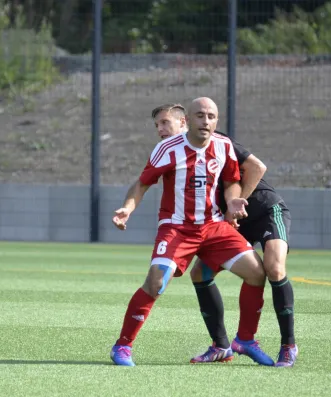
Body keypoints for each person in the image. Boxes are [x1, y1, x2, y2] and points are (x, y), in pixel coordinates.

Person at [110, 98, 274, 367]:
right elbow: (142, 184)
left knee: (257, 273)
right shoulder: (167, 148)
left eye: (211, 116)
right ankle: (122, 346)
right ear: (189, 119)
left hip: (214, 226)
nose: (206, 121)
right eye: (200, 115)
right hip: (177, 228)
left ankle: (244, 340)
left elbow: (233, 180)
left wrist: (234, 200)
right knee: (156, 283)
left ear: (216, 121)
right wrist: (128, 208)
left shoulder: (223, 146)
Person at [151, 103, 298, 367]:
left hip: (263, 209)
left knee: (274, 268)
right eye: (157, 125)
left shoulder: (218, 141)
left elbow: (257, 167)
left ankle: (288, 345)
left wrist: (237, 202)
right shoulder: (173, 153)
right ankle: (222, 345)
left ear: (184, 122)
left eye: (165, 123)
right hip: (230, 222)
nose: (161, 130)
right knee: (200, 274)